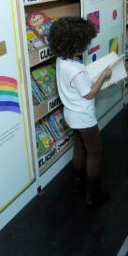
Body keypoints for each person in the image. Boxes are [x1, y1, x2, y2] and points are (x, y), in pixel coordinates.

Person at [48, 16, 112, 207]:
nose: (87, 45)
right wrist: (104, 76)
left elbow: (79, 87)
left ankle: (77, 184)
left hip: (70, 114)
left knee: (79, 147)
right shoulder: (75, 69)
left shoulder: (61, 60)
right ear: (76, 44)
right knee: (95, 151)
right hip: (83, 117)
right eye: (85, 42)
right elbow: (89, 94)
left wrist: (98, 80)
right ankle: (93, 195)